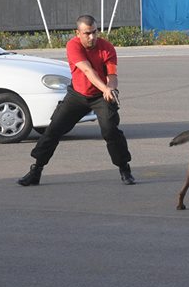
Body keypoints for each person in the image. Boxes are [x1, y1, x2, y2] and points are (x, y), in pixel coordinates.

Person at [17, 14, 135, 186]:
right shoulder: (73, 45)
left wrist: (111, 88)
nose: (92, 37)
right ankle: (36, 170)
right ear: (77, 33)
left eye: (94, 32)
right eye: (87, 33)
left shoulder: (107, 47)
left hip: (100, 97)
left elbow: (112, 75)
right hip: (77, 95)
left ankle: (124, 169)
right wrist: (105, 88)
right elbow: (88, 71)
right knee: (53, 130)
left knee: (110, 131)